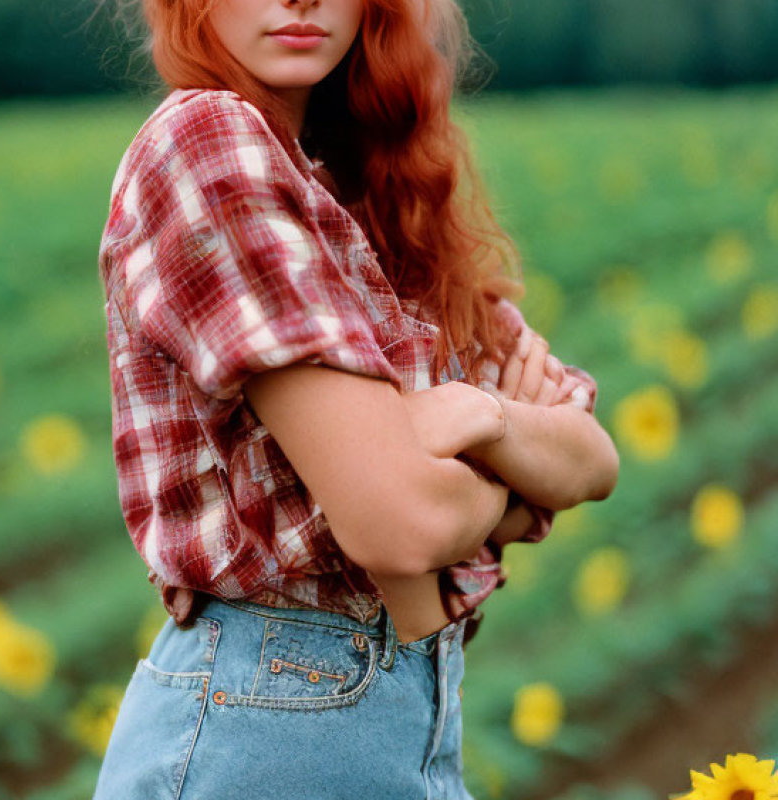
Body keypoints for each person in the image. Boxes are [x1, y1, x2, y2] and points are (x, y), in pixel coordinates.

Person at [93, 0, 620, 797]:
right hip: (272, 723)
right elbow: (403, 524)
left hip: (399, 713)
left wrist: (479, 418)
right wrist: (504, 485)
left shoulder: (366, 185)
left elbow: (592, 455)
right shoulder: (207, 139)